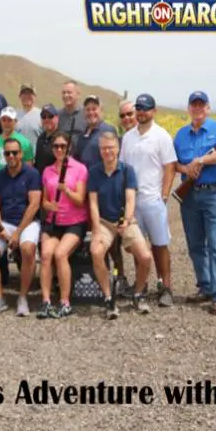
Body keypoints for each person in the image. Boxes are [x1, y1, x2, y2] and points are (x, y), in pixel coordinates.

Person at [173, 91, 216, 315]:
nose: (197, 108)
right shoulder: (180, 135)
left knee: (215, 243)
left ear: (207, 108)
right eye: (194, 105)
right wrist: (186, 169)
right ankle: (205, 286)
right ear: (188, 108)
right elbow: (174, 164)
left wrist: (201, 160)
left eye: (201, 105)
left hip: (213, 193)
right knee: (196, 244)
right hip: (189, 196)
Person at [119, 93, 177, 307]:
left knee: (160, 245)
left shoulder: (162, 136)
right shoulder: (128, 137)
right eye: (139, 108)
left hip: (153, 200)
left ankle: (166, 286)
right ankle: (140, 286)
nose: (141, 112)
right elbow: (122, 167)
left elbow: (169, 166)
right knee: (137, 245)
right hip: (133, 202)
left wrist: (164, 195)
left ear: (154, 111)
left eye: (146, 108)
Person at [88, 131, 153, 319]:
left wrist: (126, 220)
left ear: (118, 149)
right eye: (104, 148)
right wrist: (96, 229)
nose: (107, 151)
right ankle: (108, 297)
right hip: (104, 222)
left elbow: (130, 198)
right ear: (100, 151)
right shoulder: (94, 172)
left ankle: (139, 293)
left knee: (145, 257)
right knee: (96, 252)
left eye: (111, 147)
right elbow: (92, 203)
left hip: (125, 220)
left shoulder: (127, 170)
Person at [0, 137, 43, 316]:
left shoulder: (32, 174)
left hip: (27, 223)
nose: (11, 156)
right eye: (7, 153)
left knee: (28, 249)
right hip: (5, 222)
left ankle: (23, 297)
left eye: (15, 153)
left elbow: (34, 205)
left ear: (21, 154)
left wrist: (17, 234)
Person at [37, 131, 89, 319]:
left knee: (60, 254)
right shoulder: (47, 171)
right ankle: (45, 301)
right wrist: (49, 205)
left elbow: (80, 200)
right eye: (56, 146)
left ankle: (65, 302)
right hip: (53, 223)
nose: (59, 149)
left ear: (69, 148)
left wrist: (65, 189)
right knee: (45, 255)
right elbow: (44, 200)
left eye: (62, 146)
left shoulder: (79, 169)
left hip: (74, 223)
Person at [74, 95, 118, 169]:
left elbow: (115, 159)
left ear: (101, 110)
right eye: (88, 109)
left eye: (94, 109)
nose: (91, 112)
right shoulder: (82, 136)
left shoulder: (109, 130)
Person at [0, 108, 35, 172]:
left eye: (9, 120)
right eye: (3, 120)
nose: (6, 123)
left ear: (15, 121)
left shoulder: (25, 142)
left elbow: (29, 167)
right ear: (0, 121)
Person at [15, 84, 42, 149]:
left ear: (35, 96)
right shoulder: (14, 115)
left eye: (30, 93)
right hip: (18, 157)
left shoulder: (42, 115)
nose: (27, 96)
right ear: (19, 96)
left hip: (37, 157)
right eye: (24, 93)